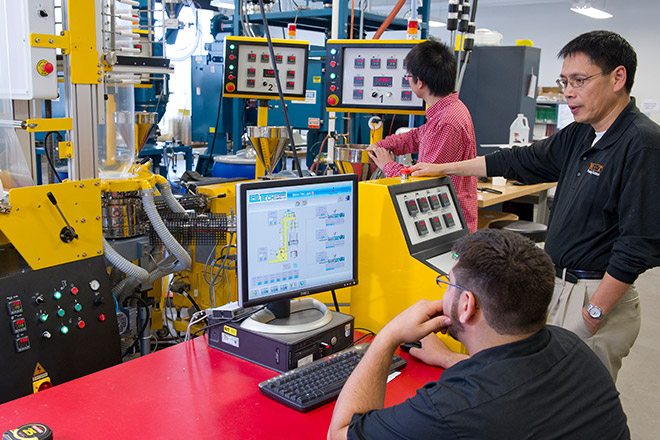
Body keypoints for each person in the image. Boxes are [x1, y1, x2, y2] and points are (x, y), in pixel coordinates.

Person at [408, 30, 660, 381]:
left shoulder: (642, 143)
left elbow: (639, 244)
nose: (569, 92)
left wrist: (593, 311)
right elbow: (520, 160)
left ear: (618, 77)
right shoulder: (583, 133)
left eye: (579, 81)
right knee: (544, 395)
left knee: (575, 407)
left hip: (593, 294)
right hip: (560, 287)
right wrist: (445, 167)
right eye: (564, 82)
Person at [327, 229, 629, 440]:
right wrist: (447, 358)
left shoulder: (449, 409)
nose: (444, 292)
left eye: (448, 284)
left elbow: (340, 433)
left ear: (467, 305)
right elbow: (514, 383)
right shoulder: (572, 347)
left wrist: (387, 336)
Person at [366, 39, 478, 232]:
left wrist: (388, 166)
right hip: (449, 220)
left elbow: (422, 186)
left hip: (446, 226)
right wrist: (386, 144)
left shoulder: (447, 122)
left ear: (419, 82)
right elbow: (417, 136)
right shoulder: (449, 110)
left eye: (408, 76)